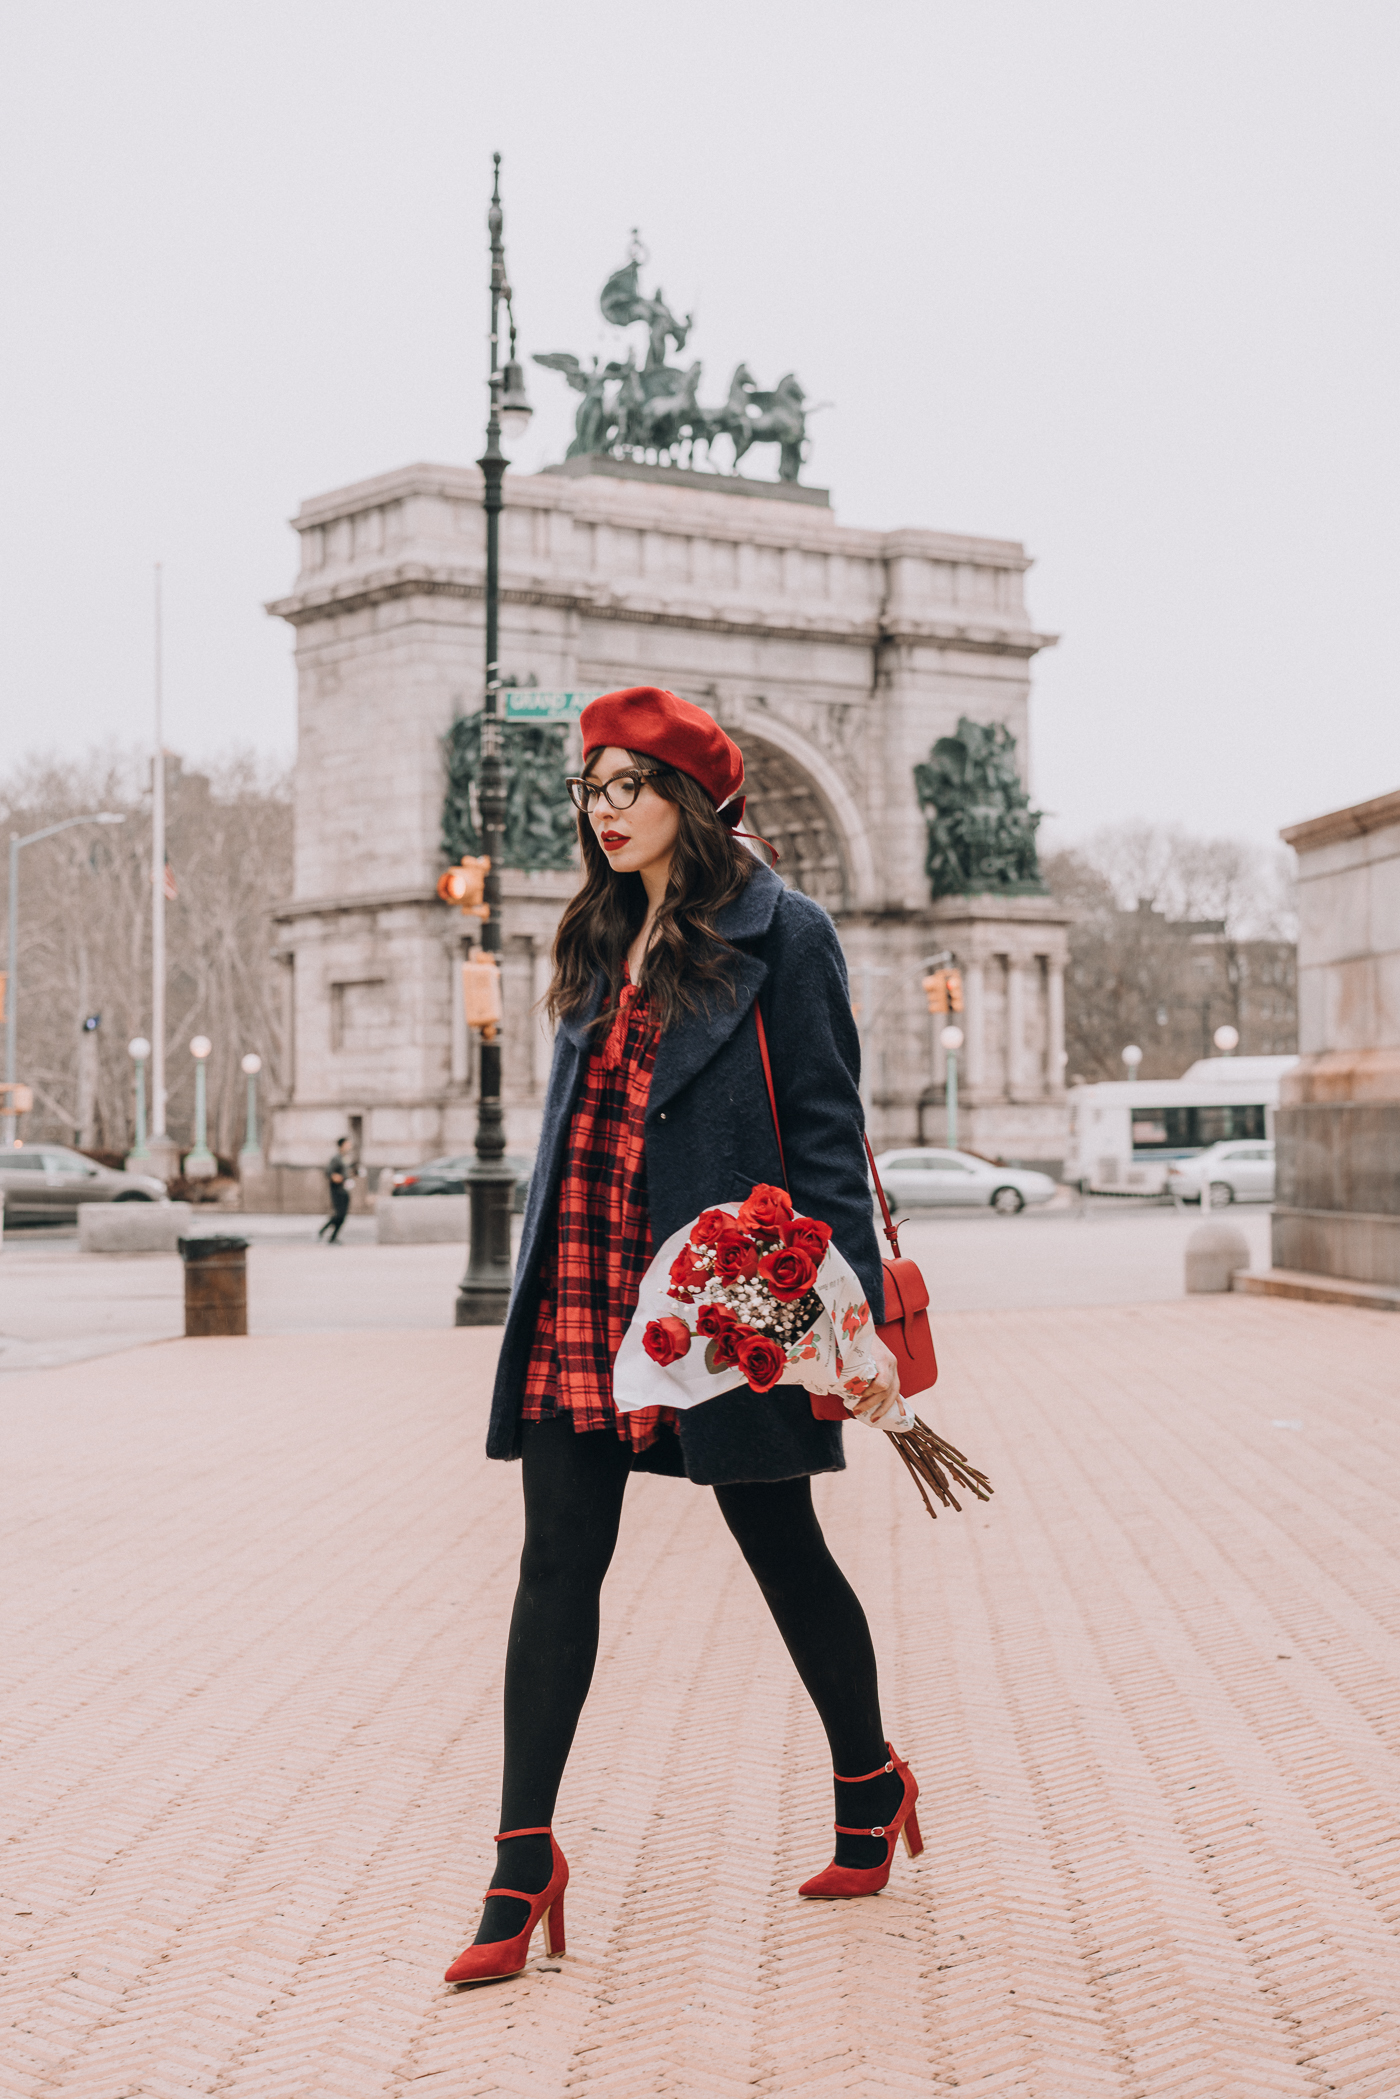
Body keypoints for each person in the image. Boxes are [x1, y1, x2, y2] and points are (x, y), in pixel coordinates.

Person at [445, 687, 920, 1988]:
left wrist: (842, 1306)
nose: (604, 812)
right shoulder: (595, 935)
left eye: (628, 787)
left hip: (721, 1299)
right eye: (590, 789)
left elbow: (825, 1122)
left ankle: (869, 1776)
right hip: (586, 1289)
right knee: (556, 1563)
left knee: (779, 1543)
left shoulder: (788, 932)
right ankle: (520, 1854)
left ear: (693, 803)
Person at [318, 1137, 354, 1244]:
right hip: (337, 1189)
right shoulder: (336, 1158)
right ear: (342, 1145)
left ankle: (331, 1236)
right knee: (339, 1214)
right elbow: (329, 1172)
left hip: (345, 1189)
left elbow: (348, 1171)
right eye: (347, 1144)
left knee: (342, 1215)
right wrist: (339, 1178)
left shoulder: (346, 1158)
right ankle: (325, 1232)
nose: (349, 1146)